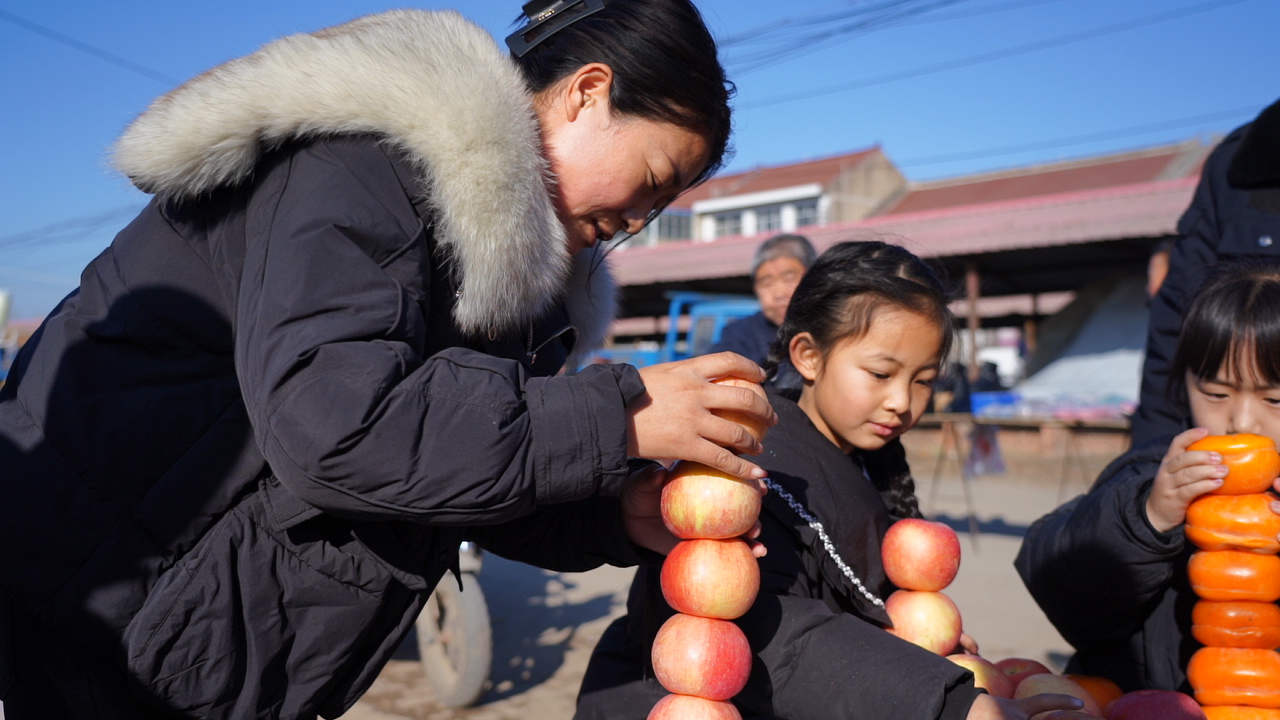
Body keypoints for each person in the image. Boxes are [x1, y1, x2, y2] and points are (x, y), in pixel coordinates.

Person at [0, 2, 778, 718]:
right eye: (652, 181)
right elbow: (339, 432)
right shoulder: (357, 166)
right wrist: (623, 415)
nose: (639, 219)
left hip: (202, 648)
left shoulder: (519, 284)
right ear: (587, 92)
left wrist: (616, 514)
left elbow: (449, 470)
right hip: (85, 617)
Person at [575, 241, 1084, 720]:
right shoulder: (745, 468)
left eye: (924, 380)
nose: (903, 402)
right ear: (808, 356)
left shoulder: (866, 461)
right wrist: (936, 699)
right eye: (881, 374)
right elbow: (767, 633)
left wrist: (918, 654)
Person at [1016, 259, 1280, 694]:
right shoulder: (1150, 473)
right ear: (1184, 384)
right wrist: (1148, 517)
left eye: (1273, 398)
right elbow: (1056, 580)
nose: (1243, 421)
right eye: (1216, 393)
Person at [1131, 97, 1280, 447]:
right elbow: (1172, 345)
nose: (1242, 422)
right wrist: (1146, 489)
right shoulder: (1244, 163)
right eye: (1217, 393)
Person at [709, 233, 817, 366]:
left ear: (814, 277)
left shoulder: (834, 326)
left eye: (789, 279)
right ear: (755, 288)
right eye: (767, 283)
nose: (779, 293)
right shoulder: (740, 334)